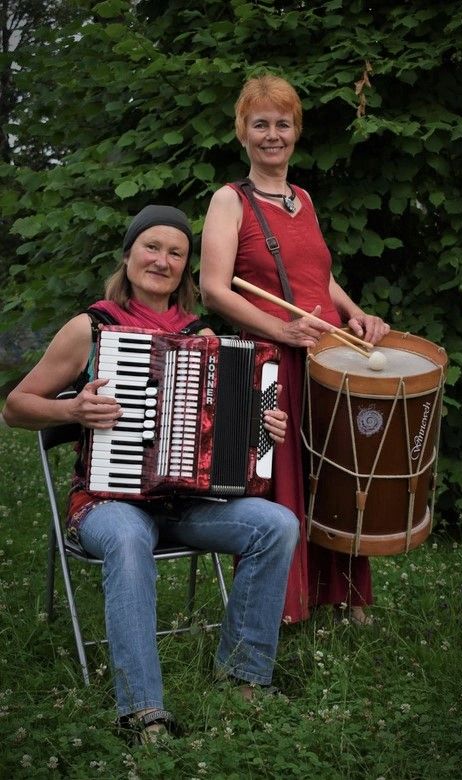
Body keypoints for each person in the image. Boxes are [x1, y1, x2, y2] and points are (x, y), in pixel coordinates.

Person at [3, 204, 299, 743]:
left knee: (276, 524)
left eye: (176, 253)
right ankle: (143, 711)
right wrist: (72, 411)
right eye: (152, 247)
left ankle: (243, 677)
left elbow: (234, 423)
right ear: (128, 254)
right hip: (107, 503)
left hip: (185, 506)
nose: (162, 261)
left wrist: (264, 424)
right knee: (126, 536)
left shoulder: (202, 335)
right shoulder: (91, 327)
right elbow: (15, 406)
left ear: (186, 269)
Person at [200, 75, 390, 627]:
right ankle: (283, 607)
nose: (272, 134)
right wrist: (281, 332)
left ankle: (345, 596)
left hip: (329, 360)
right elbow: (215, 288)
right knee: (281, 480)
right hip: (272, 364)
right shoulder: (229, 200)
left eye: (282, 123)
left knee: (334, 474)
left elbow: (318, 278)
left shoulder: (302, 198)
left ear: (296, 131)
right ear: (242, 132)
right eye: (260, 124)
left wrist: (353, 312)